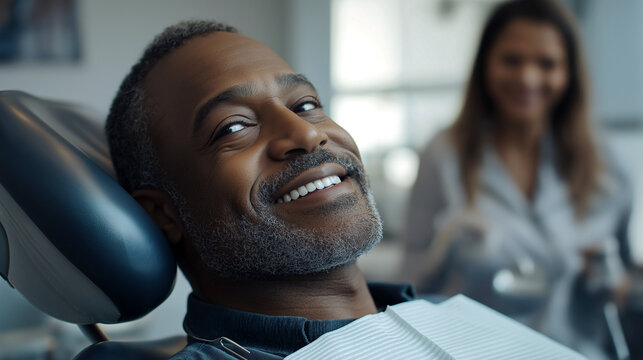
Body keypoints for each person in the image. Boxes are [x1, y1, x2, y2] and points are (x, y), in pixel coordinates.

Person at [105, 20, 413, 358]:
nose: (307, 135)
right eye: (233, 127)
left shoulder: (445, 310)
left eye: (305, 106)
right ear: (164, 215)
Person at [400, 0, 634, 358]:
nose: (527, 77)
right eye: (511, 59)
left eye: (547, 63)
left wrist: (611, 281)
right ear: (485, 65)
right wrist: (443, 250)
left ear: (569, 72)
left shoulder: (607, 165)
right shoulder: (444, 154)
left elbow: (625, 282)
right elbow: (408, 278)